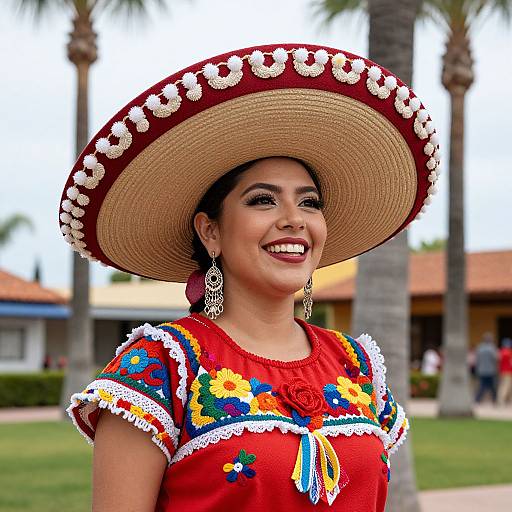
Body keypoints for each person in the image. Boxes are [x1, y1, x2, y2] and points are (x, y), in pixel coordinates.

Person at [60, 43, 440, 511]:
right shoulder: (162, 366)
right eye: (263, 200)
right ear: (211, 230)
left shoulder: (355, 364)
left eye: (309, 202)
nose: (294, 220)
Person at [474, 332, 498, 404]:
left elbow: (477, 359)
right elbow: (495, 358)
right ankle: (494, 400)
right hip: (490, 370)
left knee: (482, 386)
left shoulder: (480, 347)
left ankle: (477, 399)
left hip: (481, 370)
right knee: (492, 386)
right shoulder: (492, 348)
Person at [498, 338, 512, 406]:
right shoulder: (509, 352)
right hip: (508, 371)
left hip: (502, 371)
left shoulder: (501, 352)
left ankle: (507, 401)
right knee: (506, 386)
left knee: (505, 386)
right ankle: (501, 401)